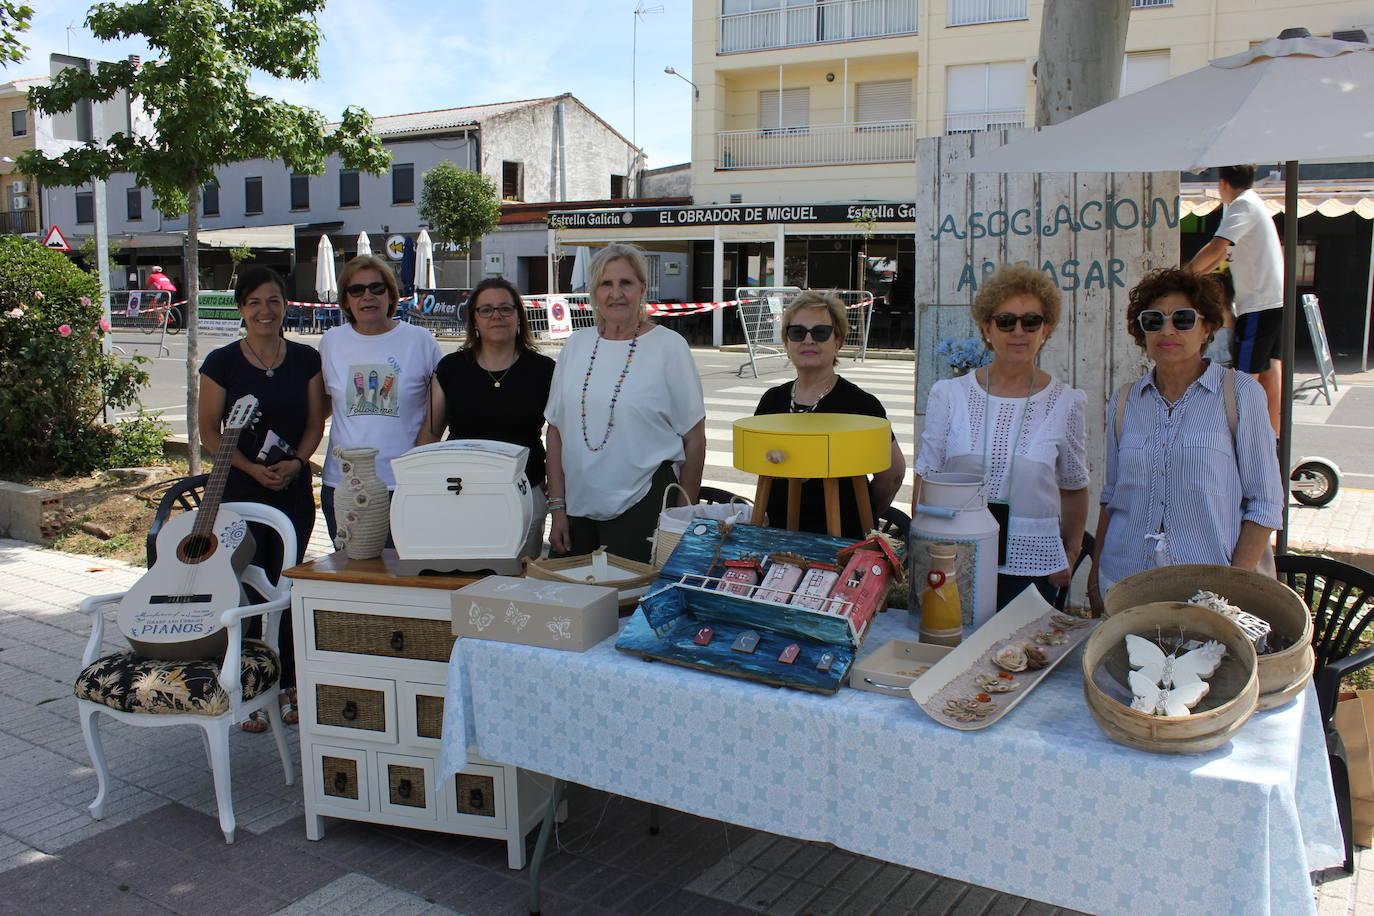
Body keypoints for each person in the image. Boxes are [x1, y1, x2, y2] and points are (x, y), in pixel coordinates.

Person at [1089, 268, 1285, 614]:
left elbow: (1265, 503)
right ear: (1142, 331)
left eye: (1182, 319)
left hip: (1211, 593)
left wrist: (1230, 593)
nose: (1167, 330)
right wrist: (1094, 576)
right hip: (1125, 584)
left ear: (1207, 327)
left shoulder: (1240, 394)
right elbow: (1112, 495)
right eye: (1154, 320)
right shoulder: (1124, 401)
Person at [915, 265, 1089, 609]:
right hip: (953, 556)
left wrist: (1069, 552)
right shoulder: (948, 395)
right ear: (987, 328)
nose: (1018, 331)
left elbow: (1074, 486)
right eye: (1006, 321)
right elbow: (926, 478)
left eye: (1031, 321)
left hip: (1033, 564)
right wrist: (922, 553)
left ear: (1047, 329)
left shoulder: (1067, 402)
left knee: (1021, 657)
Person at [198, 265, 324, 732]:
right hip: (238, 489)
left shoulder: (306, 360)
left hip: (291, 491)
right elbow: (209, 431)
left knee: (286, 585)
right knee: (246, 585)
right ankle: (248, 687)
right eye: (254, 302)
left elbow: (315, 423)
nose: (265, 310)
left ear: (285, 305)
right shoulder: (221, 362)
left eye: (273, 300)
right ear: (241, 309)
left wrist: (298, 462)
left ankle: (289, 683)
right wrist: (251, 468)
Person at [544, 244, 706, 562]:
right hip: (578, 508)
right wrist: (558, 509)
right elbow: (556, 432)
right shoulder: (577, 345)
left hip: (644, 504)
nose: (615, 293)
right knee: (571, 600)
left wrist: (682, 517)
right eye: (606, 284)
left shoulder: (668, 347)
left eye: (625, 283)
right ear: (594, 292)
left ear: (642, 289)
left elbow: (694, 437)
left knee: (629, 604)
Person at [418, 278, 555, 558]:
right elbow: (430, 435)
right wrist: (421, 489)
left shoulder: (544, 370)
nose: (497, 316)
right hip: (460, 494)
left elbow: (558, 437)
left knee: (517, 589)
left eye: (505, 308)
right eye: (487, 310)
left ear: (518, 315)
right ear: (474, 319)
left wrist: (558, 501)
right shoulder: (451, 368)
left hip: (525, 494)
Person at [753, 290, 905, 539]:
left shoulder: (861, 404)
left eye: (820, 332)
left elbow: (892, 474)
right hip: (777, 537)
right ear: (787, 342)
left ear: (838, 341)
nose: (808, 340)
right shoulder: (772, 400)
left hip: (842, 541)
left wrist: (863, 513)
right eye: (797, 332)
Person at [319, 255, 442, 542]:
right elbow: (322, 410)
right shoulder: (331, 342)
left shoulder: (420, 341)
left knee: (404, 578)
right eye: (357, 290)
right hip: (344, 484)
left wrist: (416, 468)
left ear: (390, 294)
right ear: (345, 300)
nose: (367, 297)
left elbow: (437, 414)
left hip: (402, 484)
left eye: (376, 288)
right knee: (352, 574)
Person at [1186, 164, 1284, 434]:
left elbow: (1217, 247)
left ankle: (1240, 445)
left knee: (1243, 382)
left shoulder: (1242, 205)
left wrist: (1181, 276)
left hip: (1258, 304)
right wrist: (1192, 277)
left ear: (1223, 183)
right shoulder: (1254, 204)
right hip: (1273, 301)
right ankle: (1272, 439)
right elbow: (1218, 257)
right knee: (1269, 374)